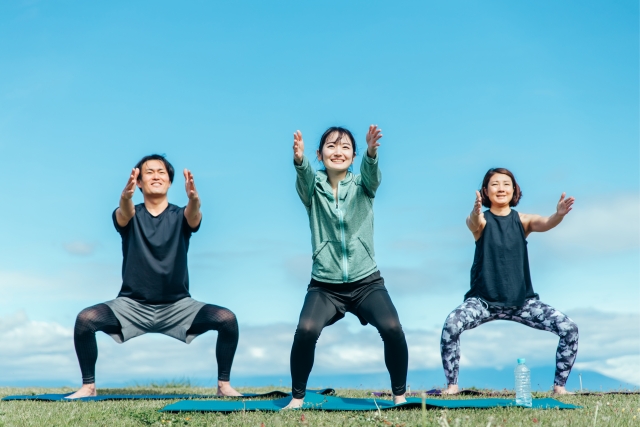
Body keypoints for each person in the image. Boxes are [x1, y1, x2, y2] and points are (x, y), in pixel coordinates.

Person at [66, 154, 241, 398]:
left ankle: (224, 386)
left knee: (227, 319)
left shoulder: (181, 215)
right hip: (131, 305)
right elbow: (123, 213)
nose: (156, 175)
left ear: (169, 181)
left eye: (161, 172)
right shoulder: (130, 214)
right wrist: (125, 198)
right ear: (138, 182)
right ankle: (88, 386)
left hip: (178, 306)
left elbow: (193, 216)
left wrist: (194, 200)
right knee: (86, 320)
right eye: (149, 172)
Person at [285, 125, 408, 409]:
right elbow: (303, 178)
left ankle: (399, 396)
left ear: (353, 156)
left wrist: (372, 154)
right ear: (319, 154)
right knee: (305, 330)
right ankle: (297, 398)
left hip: (367, 282)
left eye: (345, 148)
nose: (337, 152)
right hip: (325, 286)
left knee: (392, 327)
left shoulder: (362, 186)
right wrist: (300, 161)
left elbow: (372, 176)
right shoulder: (313, 190)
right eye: (331, 146)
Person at [440, 168, 579, 395]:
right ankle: (452, 386)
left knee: (569, 329)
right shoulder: (481, 220)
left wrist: (559, 215)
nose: (501, 188)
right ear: (485, 191)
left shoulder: (523, 221)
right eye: (494, 184)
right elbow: (473, 222)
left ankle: (559, 387)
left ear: (514, 189)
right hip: (483, 302)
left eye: (506, 183)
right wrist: (475, 211)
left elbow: (545, 222)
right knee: (451, 325)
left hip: (521, 302)